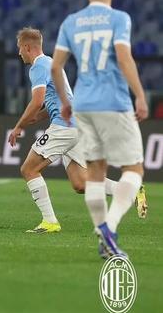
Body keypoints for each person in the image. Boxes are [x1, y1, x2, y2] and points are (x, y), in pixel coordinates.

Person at [8, 27, 144, 234]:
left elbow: (37, 100)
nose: (19, 53)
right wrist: (40, 116)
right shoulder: (52, 63)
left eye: (19, 48)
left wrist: (19, 126)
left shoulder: (38, 67)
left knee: (29, 169)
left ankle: (49, 222)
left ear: (27, 47)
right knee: (80, 183)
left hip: (65, 127)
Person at [51, 0, 148, 259]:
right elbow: (123, 57)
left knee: (94, 170)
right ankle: (109, 227)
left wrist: (65, 102)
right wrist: (140, 94)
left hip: (83, 104)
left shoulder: (71, 22)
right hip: (113, 102)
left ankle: (103, 234)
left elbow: (56, 67)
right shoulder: (119, 19)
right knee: (134, 169)